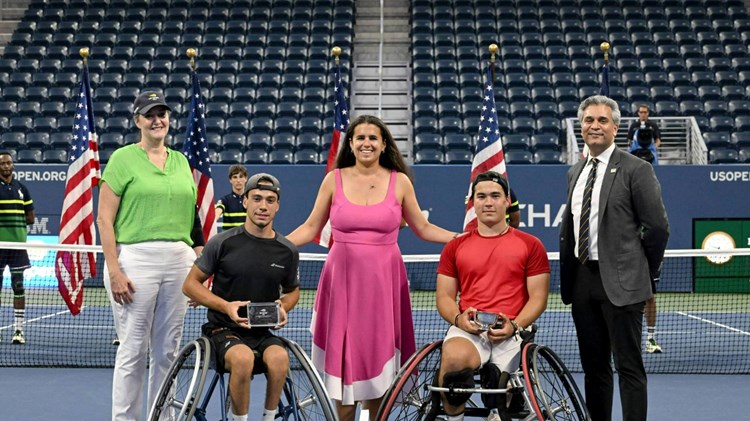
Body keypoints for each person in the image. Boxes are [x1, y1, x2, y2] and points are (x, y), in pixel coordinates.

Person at [287, 114, 458, 420]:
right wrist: (277, 245)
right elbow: (311, 226)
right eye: (360, 138)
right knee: (343, 364)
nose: (367, 143)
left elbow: (423, 228)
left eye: (373, 138)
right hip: (341, 283)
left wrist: (461, 239)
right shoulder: (333, 179)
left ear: (383, 145)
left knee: (378, 356)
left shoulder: (400, 181)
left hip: (384, 284)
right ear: (350, 144)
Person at [560, 95, 669, 421]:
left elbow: (658, 228)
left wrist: (640, 270)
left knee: (629, 368)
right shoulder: (574, 171)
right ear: (581, 127)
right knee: (594, 370)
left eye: (602, 120)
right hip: (582, 283)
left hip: (623, 284)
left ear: (616, 127)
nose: (594, 126)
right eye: (588, 120)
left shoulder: (637, 169)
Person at [97, 91, 204, 420]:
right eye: (150, 115)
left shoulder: (181, 161)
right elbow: (104, 218)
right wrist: (114, 269)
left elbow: (193, 219)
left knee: (168, 351)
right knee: (132, 349)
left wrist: (201, 269)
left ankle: (163, 417)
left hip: (179, 260)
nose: (158, 120)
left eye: (162, 114)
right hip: (135, 259)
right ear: (137, 121)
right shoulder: (122, 159)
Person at [183, 173, 300, 421]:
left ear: (277, 206)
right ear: (245, 201)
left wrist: (284, 306)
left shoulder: (287, 250)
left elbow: (292, 291)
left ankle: (269, 417)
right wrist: (226, 306)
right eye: (257, 198)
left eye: (270, 200)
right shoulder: (222, 243)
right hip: (222, 331)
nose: (263, 206)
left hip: (262, 332)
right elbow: (190, 285)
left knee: (280, 359)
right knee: (243, 358)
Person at [436, 171, 550, 421]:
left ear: (507, 201)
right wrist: (458, 320)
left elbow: (538, 298)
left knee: (501, 396)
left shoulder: (531, 245)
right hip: (468, 330)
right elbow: (444, 297)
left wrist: (514, 326)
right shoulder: (454, 247)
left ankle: (503, 403)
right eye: (482, 196)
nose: (488, 202)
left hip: (512, 332)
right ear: (472, 202)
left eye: (495, 196)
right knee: (453, 371)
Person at [0, 151, 35, 345]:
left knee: (18, 287)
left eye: (9, 163)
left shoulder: (22, 188)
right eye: (3, 163)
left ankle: (19, 330)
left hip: (17, 246)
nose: (6, 166)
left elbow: (31, 217)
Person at [216, 164, 248, 231]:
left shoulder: (251, 200)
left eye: (241, 177)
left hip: (246, 238)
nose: (238, 180)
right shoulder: (225, 200)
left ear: (246, 178)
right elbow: (217, 212)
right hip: (228, 239)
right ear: (230, 180)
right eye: (235, 177)